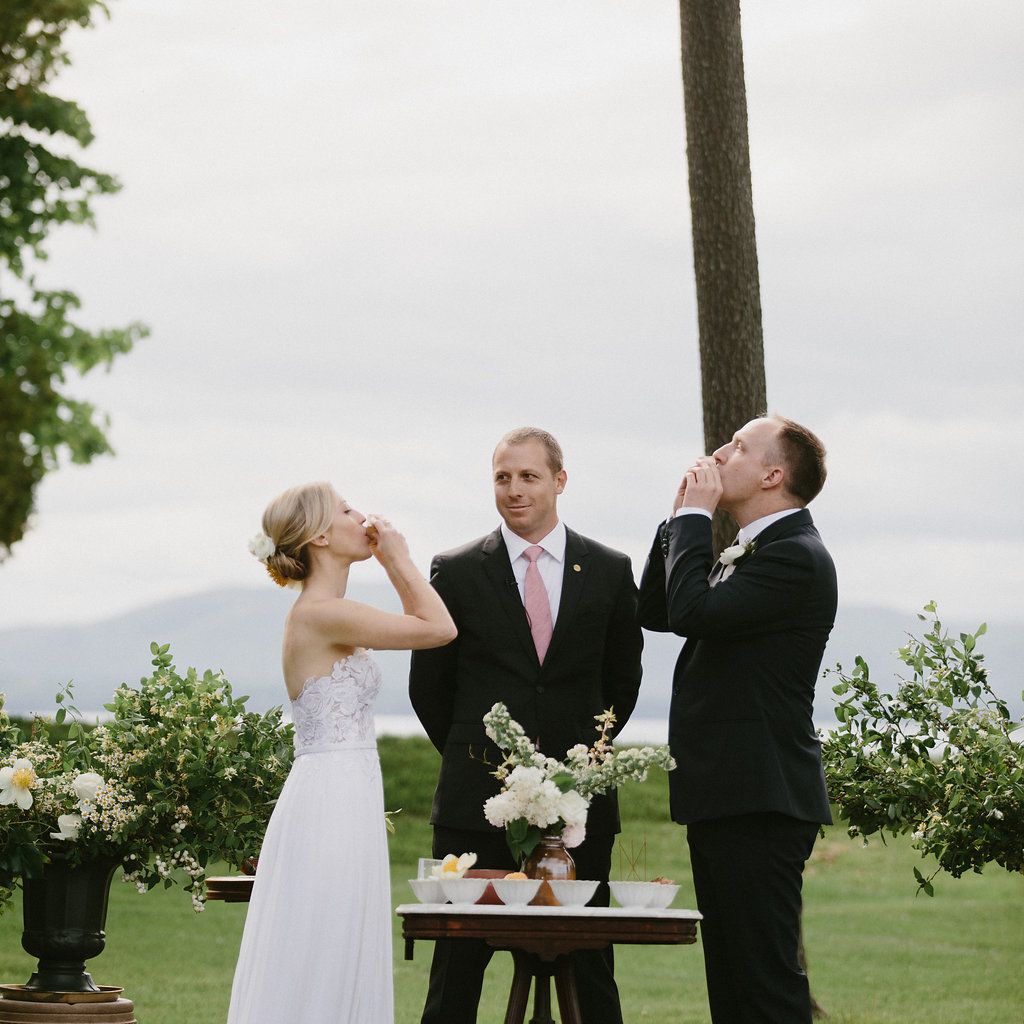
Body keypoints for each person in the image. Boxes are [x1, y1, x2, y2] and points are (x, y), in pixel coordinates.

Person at [409, 427, 644, 1024]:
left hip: (579, 806)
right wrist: (489, 764)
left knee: (591, 970)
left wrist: (574, 773)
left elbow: (622, 684)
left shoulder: (612, 571)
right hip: (475, 805)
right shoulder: (456, 571)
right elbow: (429, 689)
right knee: (455, 973)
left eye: (528, 476)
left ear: (560, 481)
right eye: (502, 477)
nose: (514, 490)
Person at [227, 481, 456, 1024]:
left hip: (348, 789)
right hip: (328, 798)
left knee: (345, 930)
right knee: (324, 932)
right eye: (348, 510)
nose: (363, 516)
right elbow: (440, 628)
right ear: (322, 536)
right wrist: (397, 558)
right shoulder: (321, 614)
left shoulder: (332, 610)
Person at [638, 415, 836, 1024]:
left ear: (773, 475)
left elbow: (693, 611)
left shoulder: (796, 557)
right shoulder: (752, 548)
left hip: (762, 797)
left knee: (764, 980)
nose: (719, 453)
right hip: (727, 793)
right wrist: (679, 518)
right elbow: (658, 609)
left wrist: (699, 519)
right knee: (731, 978)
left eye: (739, 447)